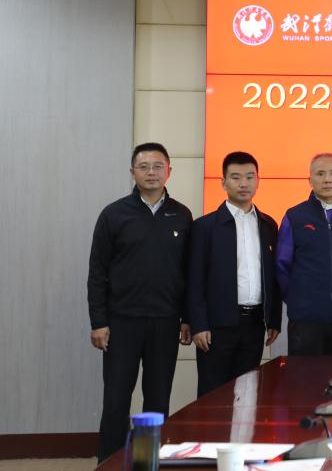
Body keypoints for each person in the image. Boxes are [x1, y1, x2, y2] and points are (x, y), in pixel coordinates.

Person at [87, 142, 193, 461]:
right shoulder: (114, 214)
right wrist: (99, 322)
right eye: (144, 166)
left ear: (169, 171)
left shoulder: (182, 215)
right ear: (132, 171)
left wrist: (187, 318)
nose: (151, 172)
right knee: (116, 400)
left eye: (158, 166)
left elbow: (188, 273)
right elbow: (97, 272)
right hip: (122, 322)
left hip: (165, 321)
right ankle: (110, 462)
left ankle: (148, 461)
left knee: (157, 400)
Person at [188, 151, 282, 397]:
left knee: (247, 395)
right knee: (213, 396)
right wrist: (198, 324)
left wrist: (273, 319)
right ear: (223, 182)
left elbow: (273, 276)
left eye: (250, 177)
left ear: (258, 181)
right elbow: (194, 279)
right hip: (216, 327)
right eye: (236, 177)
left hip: (254, 325)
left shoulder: (268, 225)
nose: (243, 183)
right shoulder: (205, 227)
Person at [276, 153, 332, 356]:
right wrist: (298, 299)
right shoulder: (295, 215)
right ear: (310, 180)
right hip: (305, 319)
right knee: (304, 374)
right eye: (320, 174)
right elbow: (282, 265)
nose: (327, 179)